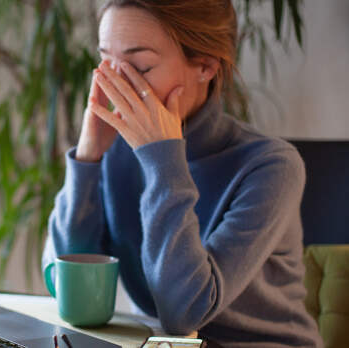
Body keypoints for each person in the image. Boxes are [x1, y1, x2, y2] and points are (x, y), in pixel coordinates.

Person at [41, 1, 323, 347]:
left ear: (204, 66)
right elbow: (63, 284)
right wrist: (87, 159)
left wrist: (163, 161)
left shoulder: (272, 167)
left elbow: (183, 312)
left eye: (140, 67)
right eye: (106, 62)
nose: (117, 85)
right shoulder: (117, 150)